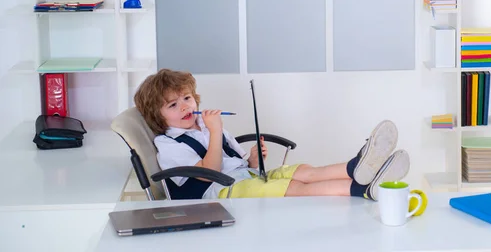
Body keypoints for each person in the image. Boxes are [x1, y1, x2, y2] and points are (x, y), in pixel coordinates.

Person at [134, 68, 410, 201]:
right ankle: (363, 189)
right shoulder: (168, 144)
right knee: (298, 188)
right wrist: (216, 132)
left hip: (245, 177)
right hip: (221, 192)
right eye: (173, 105)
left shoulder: (206, 127)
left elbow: (240, 162)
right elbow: (209, 172)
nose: (185, 106)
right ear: (158, 116)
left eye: (187, 98)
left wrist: (253, 158)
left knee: (305, 171)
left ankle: (359, 166)